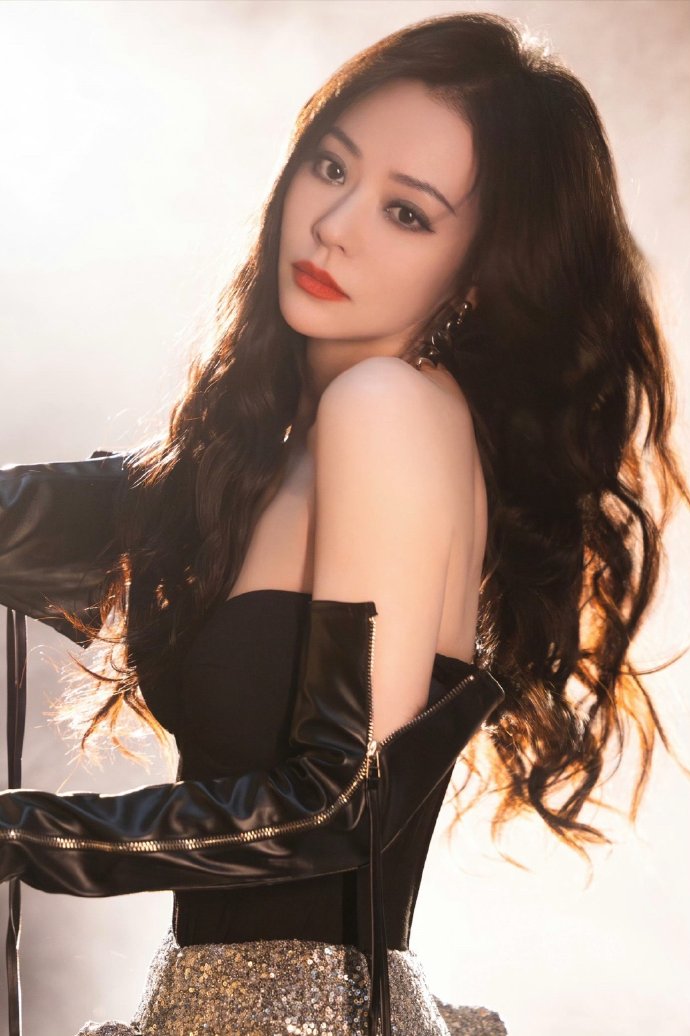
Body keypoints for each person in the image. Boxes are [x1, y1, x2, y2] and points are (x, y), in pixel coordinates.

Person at [0, 11, 687, 1036]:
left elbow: (335, 801)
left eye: (407, 213)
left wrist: (25, 836)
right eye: (331, 167)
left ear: (481, 269)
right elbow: (55, 518)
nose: (334, 224)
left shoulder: (387, 410)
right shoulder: (276, 452)